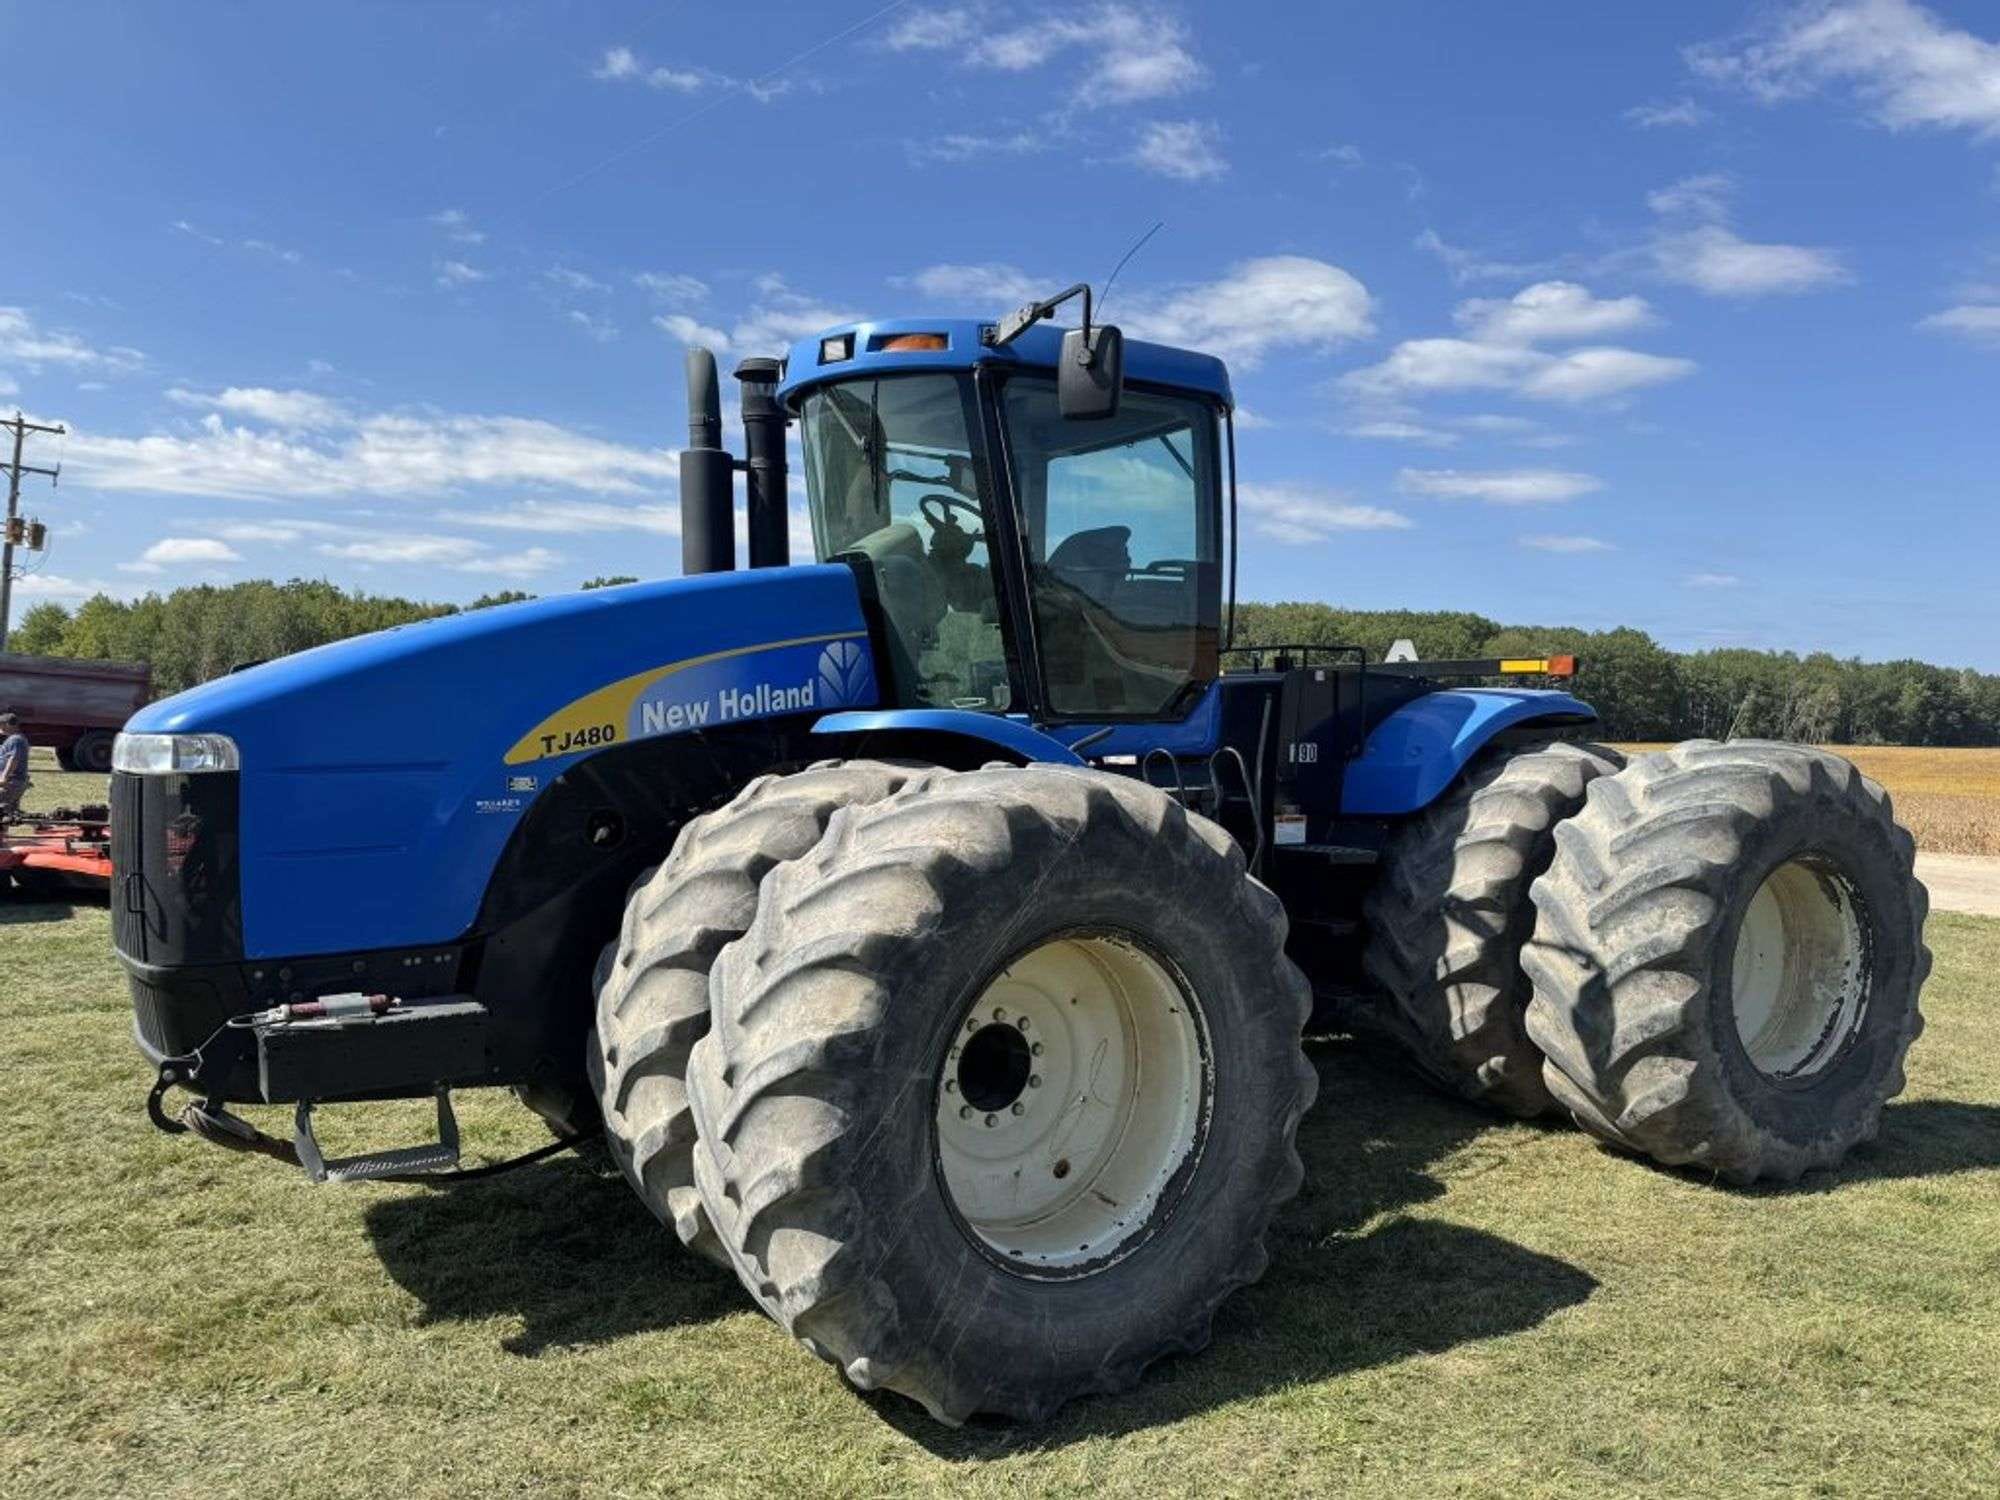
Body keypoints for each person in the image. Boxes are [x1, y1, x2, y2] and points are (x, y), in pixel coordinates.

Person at [0, 711, 30, 824]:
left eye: (1, 724)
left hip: (12, 781)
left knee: (3, 809)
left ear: (8, 724)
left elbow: (13, 759)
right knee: (8, 811)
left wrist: (4, 777)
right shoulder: (13, 739)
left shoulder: (16, 739)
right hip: (14, 780)